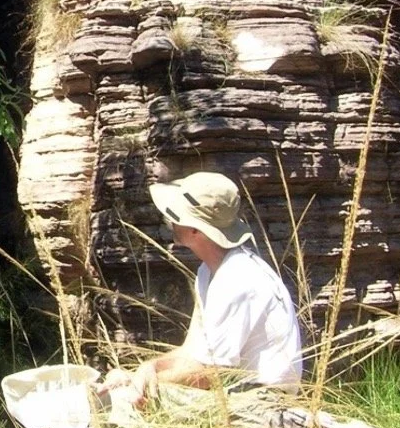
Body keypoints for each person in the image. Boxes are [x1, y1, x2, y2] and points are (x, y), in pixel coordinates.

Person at [100, 171, 303, 407]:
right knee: (118, 395)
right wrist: (149, 368)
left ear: (195, 229)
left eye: (176, 215)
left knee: (116, 404)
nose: (169, 220)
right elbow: (193, 353)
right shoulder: (208, 272)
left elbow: (211, 373)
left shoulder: (237, 279)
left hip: (265, 401)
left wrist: (137, 385)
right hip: (235, 392)